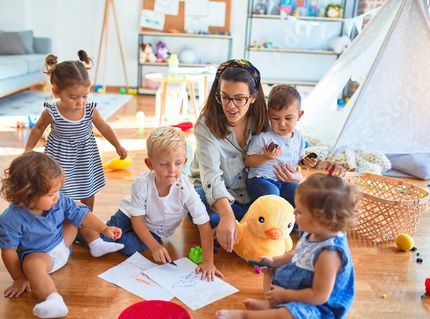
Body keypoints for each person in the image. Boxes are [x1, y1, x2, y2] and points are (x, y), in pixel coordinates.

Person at [216, 173, 359, 319]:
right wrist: (274, 261)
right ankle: (272, 305)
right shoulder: (315, 232)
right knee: (272, 270)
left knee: (286, 318)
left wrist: (285, 295)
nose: (294, 214)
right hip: (302, 287)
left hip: (319, 307)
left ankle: (245, 317)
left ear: (321, 219)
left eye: (300, 211)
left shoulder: (330, 254)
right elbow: (299, 254)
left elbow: (319, 296)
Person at [0, 152, 124, 319]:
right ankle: (53, 299)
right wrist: (19, 278)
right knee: (32, 264)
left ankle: (96, 244)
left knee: (78, 211)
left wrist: (105, 229)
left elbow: (81, 215)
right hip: (42, 257)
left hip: (63, 242)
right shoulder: (11, 219)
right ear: (27, 195)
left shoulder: (58, 199)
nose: (57, 196)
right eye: (51, 194)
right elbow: (9, 251)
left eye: (58, 191)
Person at [24, 50, 127, 255]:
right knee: (59, 193)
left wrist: (118, 145)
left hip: (85, 158)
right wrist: (28, 149)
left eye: (84, 96)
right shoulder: (52, 111)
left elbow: (104, 128)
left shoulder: (89, 110)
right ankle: (59, 230)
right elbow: (37, 129)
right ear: (56, 93)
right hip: (59, 159)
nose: (80, 102)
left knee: (88, 190)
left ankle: (87, 225)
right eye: (73, 97)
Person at [101, 126, 222, 281]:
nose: (172, 170)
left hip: (154, 230)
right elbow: (136, 219)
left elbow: (204, 225)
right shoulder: (141, 184)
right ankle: (84, 225)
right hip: (127, 215)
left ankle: (103, 230)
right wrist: (154, 246)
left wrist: (208, 261)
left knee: (128, 248)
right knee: (105, 238)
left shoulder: (186, 190)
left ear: (185, 162)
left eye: (178, 163)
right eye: (164, 164)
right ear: (149, 164)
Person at [188, 59, 269, 253]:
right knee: (196, 206)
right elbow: (211, 178)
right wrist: (226, 216)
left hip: (248, 191)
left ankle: (239, 221)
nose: (231, 106)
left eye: (239, 99)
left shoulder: (262, 122)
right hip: (211, 192)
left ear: (253, 97)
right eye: (225, 97)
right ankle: (240, 221)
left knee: (281, 200)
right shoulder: (205, 126)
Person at [246, 84, 317, 207]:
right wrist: (265, 157)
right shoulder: (264, 137)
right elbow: (248, 160)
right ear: (269, 116)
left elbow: (298, 160)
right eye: (275, 118)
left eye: (289, 118)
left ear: (299, 115)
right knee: (272, 194)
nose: (282, 124)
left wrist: (305, 162)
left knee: (302, 196)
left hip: (286, 183)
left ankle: (295, 223)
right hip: (261, 180)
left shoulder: (298, 137)